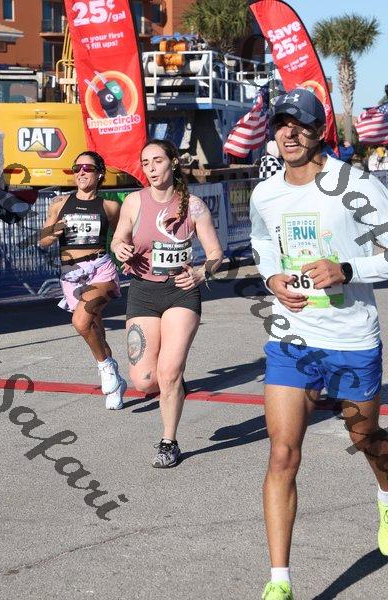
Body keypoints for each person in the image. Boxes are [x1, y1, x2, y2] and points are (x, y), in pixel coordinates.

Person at [250, 88, 388, 600]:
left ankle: (386, 493)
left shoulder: (356, 185)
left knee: (365, 438)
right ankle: (279, 582)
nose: (289, 133)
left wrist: (346, 269)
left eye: (300, 123)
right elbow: (262, 244)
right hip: (293, 339)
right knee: (283, 453)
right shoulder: (266, 193)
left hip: (352, 339)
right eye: (281, 123)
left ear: (319, 130)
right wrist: (271, 279)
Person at [111, 139, 223, 468]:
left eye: (157, 161)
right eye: (145, 163)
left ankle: (168, 441)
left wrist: (202, 272)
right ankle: (172, 383)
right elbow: (119, 238)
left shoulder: (194, 206)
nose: (151, 168)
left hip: (181, 292)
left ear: (172, 162)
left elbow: (216, 254)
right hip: (143, 292)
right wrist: (120, 248)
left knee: (169, 372)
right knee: (145, 380)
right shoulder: (134, 201)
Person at [39, 150, 127, 410]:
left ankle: (105, 368)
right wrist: (56, 230)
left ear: (99, 174)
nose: (81, 173)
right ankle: (116, 381)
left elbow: (123, 236)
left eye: (87, 168)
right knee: (95, 328)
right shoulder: (59, 203)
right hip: (71, 275)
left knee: (81, 320)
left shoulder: (110, 207)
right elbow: (43, 240)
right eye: (76, 168)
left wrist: (130, 256)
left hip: (101, 270)